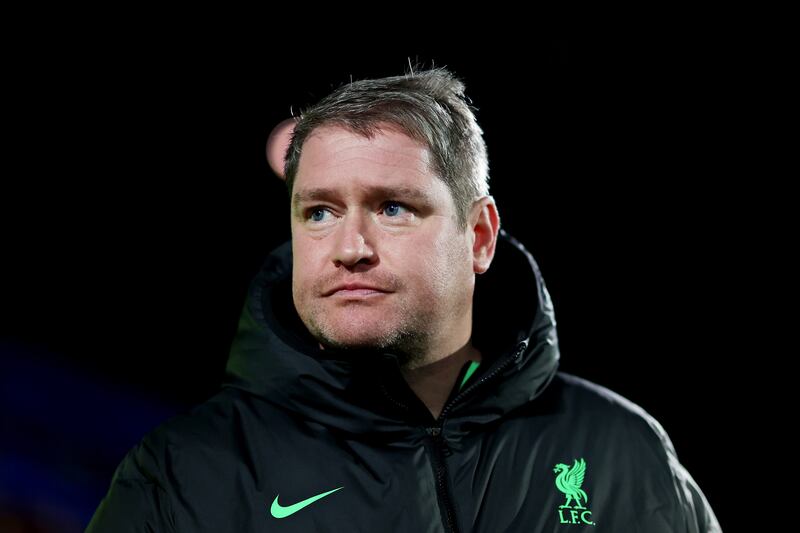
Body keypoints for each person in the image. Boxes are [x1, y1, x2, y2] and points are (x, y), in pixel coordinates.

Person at [86, 67, 721, 532]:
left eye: (392, 207)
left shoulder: (619, 451)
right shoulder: (182, 474)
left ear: (477, 236)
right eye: (319, 212)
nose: (349, 246)